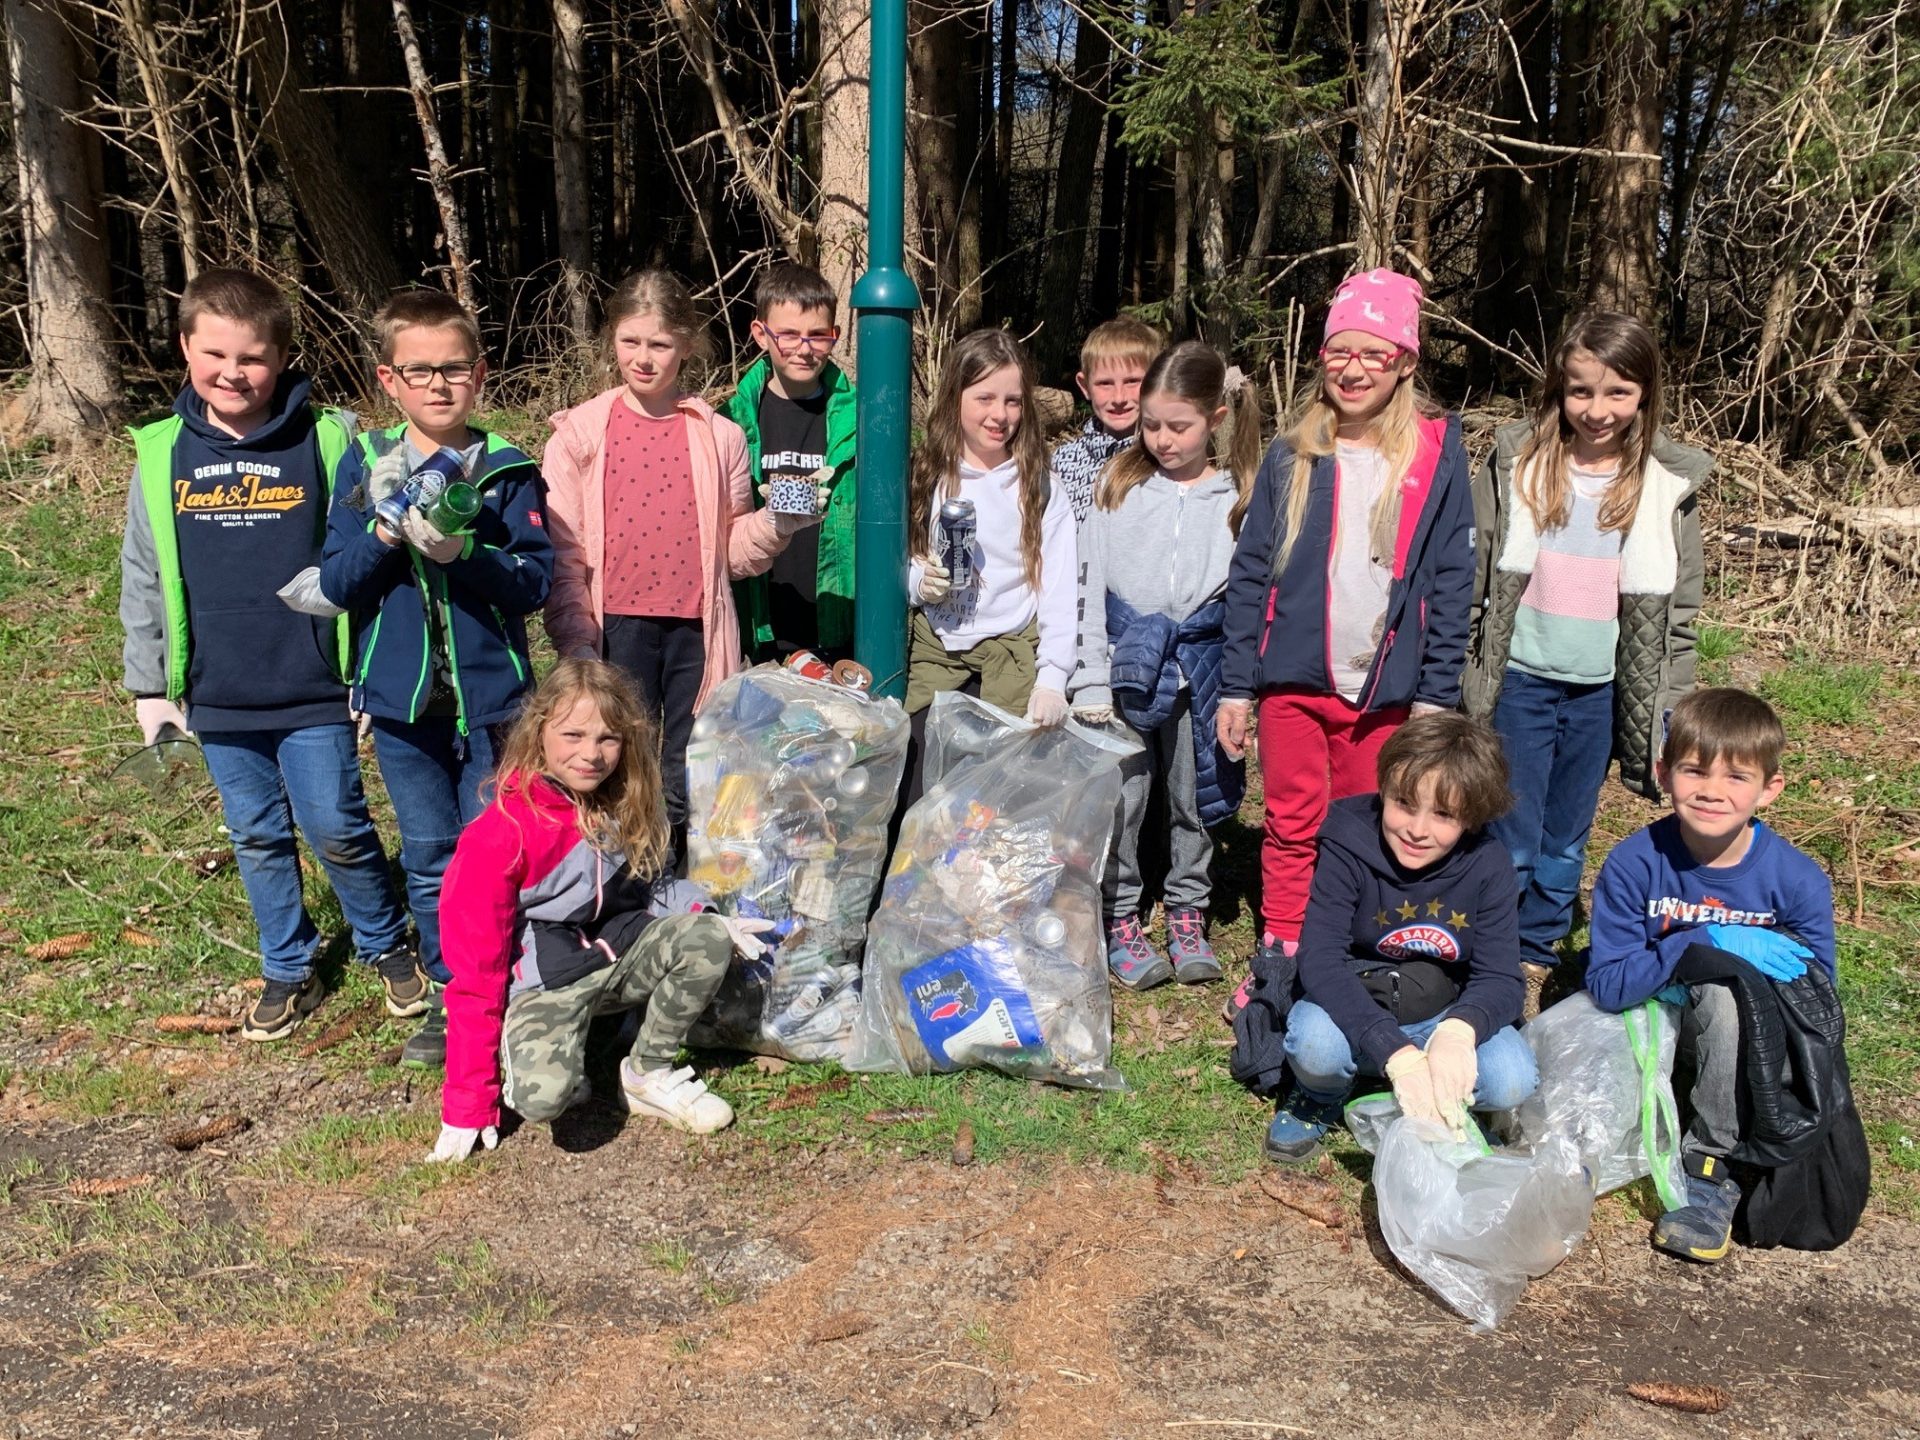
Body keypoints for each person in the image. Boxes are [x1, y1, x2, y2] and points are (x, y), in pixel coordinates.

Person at [119, 267, 414, 1042]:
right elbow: (143, 574)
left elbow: (371, 554)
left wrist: (370, 668)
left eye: (251, 357)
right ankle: (288, 966)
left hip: (314, 683)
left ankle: (386, 943)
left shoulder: (329, 439)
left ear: (282, 357)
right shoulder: (161, 452)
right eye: (214, 354)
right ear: (185, 348)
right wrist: (150, 686)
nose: (232, 372)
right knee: (254, 834)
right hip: (217, 690)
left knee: (338, 825)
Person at [1217, 269, 1475, 1021]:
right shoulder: (1293, 454)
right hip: (1293, 683)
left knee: (1367, 827)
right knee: (1291, 825)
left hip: (1386, 693)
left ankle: (1353, 954)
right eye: (1339, 352)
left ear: (1404, 363)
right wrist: (1237, 686)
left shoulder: (1433, 456)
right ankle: (1284, 948)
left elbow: (1452, 581)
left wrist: (1436, 693)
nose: (1353, 369)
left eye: (1373, 354)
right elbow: (1250, 574)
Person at [319, 289, 553, 1068]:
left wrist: (465, 554)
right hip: (402, 705)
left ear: (479, 373)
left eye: (454, 368)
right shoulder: (365, 465)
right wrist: (387, 535)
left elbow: (534, 583)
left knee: (500, 852)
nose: (439, 384)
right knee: (428, 855)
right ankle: (454, 996)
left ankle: (510, 990)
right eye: (419, 371)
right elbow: (336, 582)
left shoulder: (508, 469)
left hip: (495, 706)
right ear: (389, 381)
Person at [1463, 310, 1711, 1021]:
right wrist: (1462, 670)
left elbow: (1678, 617)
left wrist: (1668, 708)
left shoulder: (1663, 486)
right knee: (1511, 828)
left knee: (1566, 836)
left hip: (1602, 690)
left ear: (1645, 394)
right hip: (1520, 678)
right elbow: (1476, 572)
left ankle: (1537, 950)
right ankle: (1492, 947)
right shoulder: (1520, 464)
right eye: (1581, 392)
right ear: (1559, 389)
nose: (1597, 410)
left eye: (1617, 393)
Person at [427, 658, 776, 1163]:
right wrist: (468, 1100)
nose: (591, 754)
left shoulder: (624, 803)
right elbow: (475, 976)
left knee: (706, 938)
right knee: (545, 1100)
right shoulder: (501, 833)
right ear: (538, 731)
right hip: (547, 983)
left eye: (608, 738)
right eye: (572, 735)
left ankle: (646, 1072)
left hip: (616, 958)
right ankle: (540, 1042)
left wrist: (707, 913)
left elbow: (652, 888)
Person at [542, 270, 821, 860]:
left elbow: (733, 552)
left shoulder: (721, 438)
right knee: (621, 761)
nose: (643, 359)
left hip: (700, 629)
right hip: (615, 627)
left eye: (660, 344)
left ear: (688, 346)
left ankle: (680, 878)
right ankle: (619, 878)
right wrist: (576, 639)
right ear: (612, 340)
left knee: (690, 763)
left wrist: (777, 524)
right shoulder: (580, 434)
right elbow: (565, 552)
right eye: (630, 341)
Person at [1585, 687, 1836, 1262]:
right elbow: (1606, 984)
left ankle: (1708, 1163)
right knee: (1703, 983)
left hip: (1746, 1035)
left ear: (1769, 789)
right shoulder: (1635, 863)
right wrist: (1700, 941)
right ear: (1663, 774)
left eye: (1736, 777)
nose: (1712, 791)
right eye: (1694, 770)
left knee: (1723, 993)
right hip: (1651, 1013)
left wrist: (1735, 969)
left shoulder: (1796, 880)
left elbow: (1818, 999)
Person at [1069, 341, 1262, 989]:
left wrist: (1239, 688)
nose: (1161, 439)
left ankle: (1187, 911)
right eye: (1150, 424)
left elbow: (1245, 604)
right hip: (1124, 667)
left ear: (1216, 418)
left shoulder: (1238, 496)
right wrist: (1089, 677)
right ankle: (1120, 915)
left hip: (1198, 670)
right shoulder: (1119, 485)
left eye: (1178, 426)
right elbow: (1089, 586)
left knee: (1193, 795)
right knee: (1123, 799)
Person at [1263, 712, 1537, 1165]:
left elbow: (1502, 978)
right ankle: (1322, 1092)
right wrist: (1393, 1051)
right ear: (1384, 788)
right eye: (1405, 804)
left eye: (1443, 814)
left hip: (1441, 1010)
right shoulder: (1347, 840)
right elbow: (1320, 958)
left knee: (1513, 1080)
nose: (1417, 829)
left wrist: (1460, 1030)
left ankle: (1437, 1090)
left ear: (1471, 818)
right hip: (1355, 1001)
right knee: (1315, 1048)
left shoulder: (1489, 864)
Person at [900, 329, 1076, 807]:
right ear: (954, 397)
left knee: (991, 808)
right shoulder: (924, 476)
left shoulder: (1040, 488)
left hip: (1009, 664)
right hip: (935, 656)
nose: (1000, 415)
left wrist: (1052, 678)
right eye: (984, 398)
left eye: (1013, 401)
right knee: (919, 799)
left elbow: (1058, 592)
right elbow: (901, 561)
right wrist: (919, 582)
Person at [726, 261, 857, 661]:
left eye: (818, 336)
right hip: (759, 627)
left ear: (835, 336)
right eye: (788, 335)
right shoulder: (732, 421)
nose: (804, 349)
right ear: (760, 334)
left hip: (838, 625)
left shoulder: (861, 419)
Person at [1050, 316, 1165, 526]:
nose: (1119, 398)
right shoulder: (1063, 463)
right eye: (1105, 383)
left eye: (1132, 381)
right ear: (1085, 386)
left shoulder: (1165, 458)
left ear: (1156, 381)